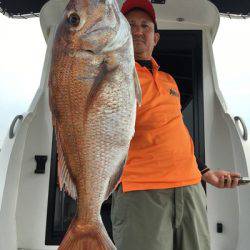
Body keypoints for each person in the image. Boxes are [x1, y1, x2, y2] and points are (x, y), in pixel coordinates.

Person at [111, 1, 241, 250]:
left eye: (145, 26)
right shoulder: (111, 74)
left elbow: (176, 132)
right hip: (142, 191)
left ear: (155, 38)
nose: (138, 31)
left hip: (191, 188)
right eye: (130, 26)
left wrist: (206, 173)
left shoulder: (168, 80)